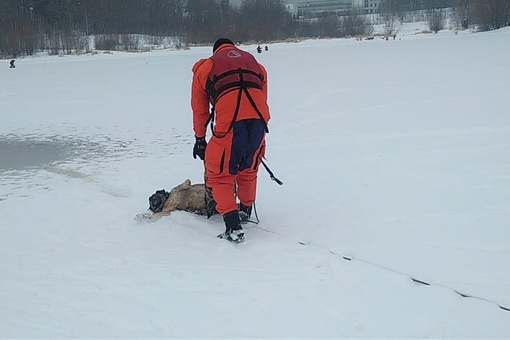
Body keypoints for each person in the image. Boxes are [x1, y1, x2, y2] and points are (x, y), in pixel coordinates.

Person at [191, 38, 271, 243]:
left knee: (219, 173)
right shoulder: (256, 64)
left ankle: (233, 226)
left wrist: (200, 139)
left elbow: (200, 110)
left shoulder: (206, 67)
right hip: (259, 123)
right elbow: (263, 97)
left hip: (230, 124)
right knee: (248, 167)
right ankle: (245, 209)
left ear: (215, 49)